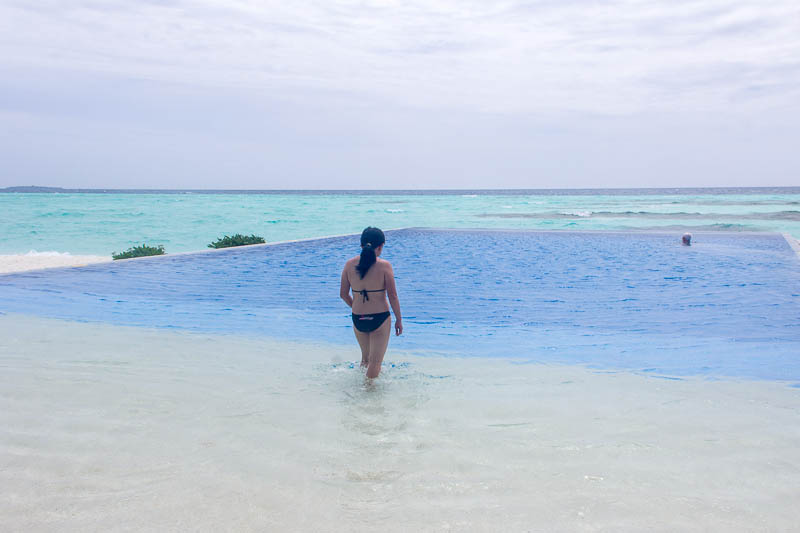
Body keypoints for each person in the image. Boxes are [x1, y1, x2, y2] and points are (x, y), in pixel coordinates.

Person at [340, 227, 403, 378]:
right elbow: (393, 296)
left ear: (361, 245)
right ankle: (369, 395)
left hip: (358, 318)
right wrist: (399, 319)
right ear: (380, 246)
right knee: (375, 363)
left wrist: (355, 306)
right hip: (379, 318)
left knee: (365, 359)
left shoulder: (349, 265)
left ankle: (361, 387)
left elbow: (343, 294)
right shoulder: (384, 266)